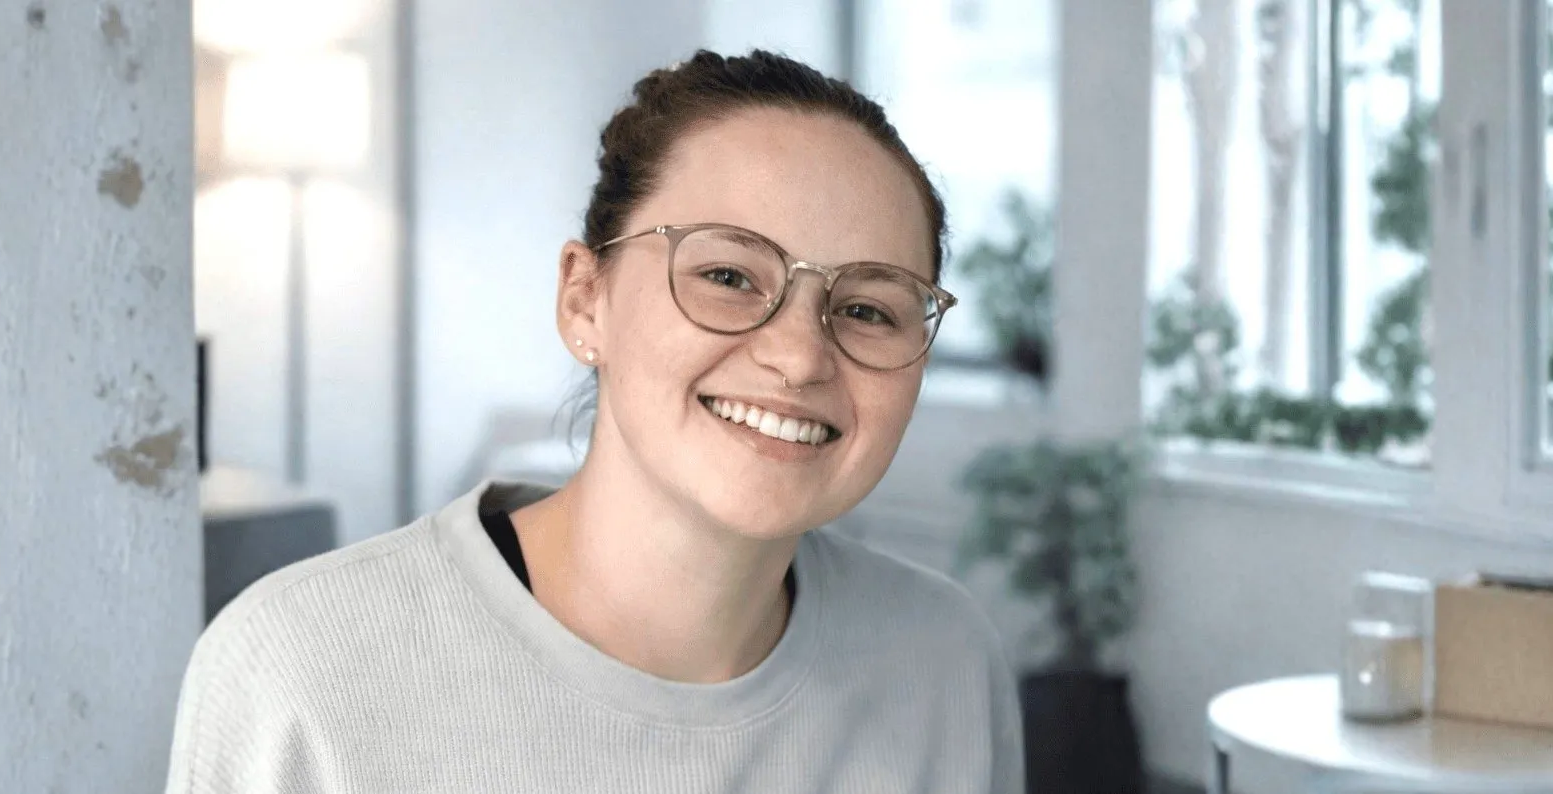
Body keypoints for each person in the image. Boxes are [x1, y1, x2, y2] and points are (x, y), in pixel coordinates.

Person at [164, 49, 1022, 793]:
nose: (800, 357)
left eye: (869, 309)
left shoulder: (945, 666)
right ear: (585, 299)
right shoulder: (299, 673)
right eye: (728, 275)